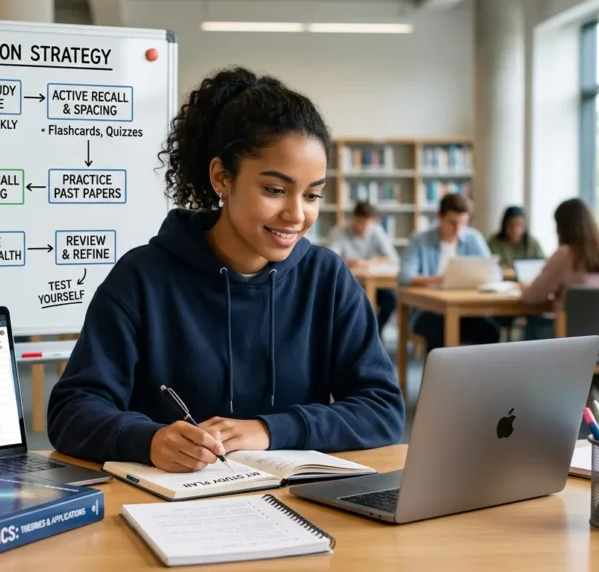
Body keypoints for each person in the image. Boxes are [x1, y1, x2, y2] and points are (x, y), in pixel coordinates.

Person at [47, 67, 405, 473]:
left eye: (312, 195)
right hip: (173, 511)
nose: (296, 214)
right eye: (275, 190)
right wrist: (148, 439)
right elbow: (71, 410)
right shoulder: (142, 277)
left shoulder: (327, 278)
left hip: (303, 508)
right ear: (222, 178)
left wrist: (271, 430)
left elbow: (382, 410)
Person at [519, 197, 599, 353]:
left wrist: (525, 288)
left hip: (575, 344)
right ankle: (597, 378)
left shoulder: (565, 255)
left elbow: (532, 297)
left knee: (532, 327)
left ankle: (536, 377)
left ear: (561, 227)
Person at [399, 193, 501, 351]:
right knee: (439, 333)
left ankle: (479, 376)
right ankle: (440, 376)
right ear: (439, 217)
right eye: (452, 223)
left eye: (463, 223)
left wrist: (478, 278)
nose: (458, 229)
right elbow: (404, 276)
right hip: (427, 311)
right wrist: (440, 280)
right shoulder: (420, 240)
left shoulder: (473, 238)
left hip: (466, 311)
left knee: (490, 331)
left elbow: (495, 273)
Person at [326, 202, 399, 334]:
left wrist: (369, 262)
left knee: (391, 300)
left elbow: (392, 257)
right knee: (357, 301)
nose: (364, 227)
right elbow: (331, 259)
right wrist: (349, 262)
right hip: (349, 282)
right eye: (361, 222)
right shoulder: (339, 231)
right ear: (353, 218)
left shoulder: (376, 230)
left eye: (368, 223)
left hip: (372, 281)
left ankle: (376, 331)